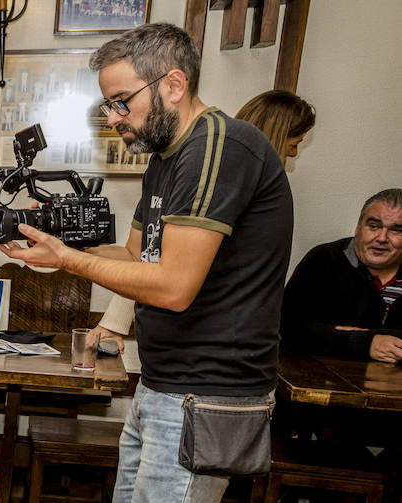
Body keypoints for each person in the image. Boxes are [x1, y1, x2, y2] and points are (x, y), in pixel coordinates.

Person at [0, 24, 293, 503]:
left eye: (120, 103)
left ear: (173, 84)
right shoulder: (168, 159)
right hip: (168, 381)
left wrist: (70, 262)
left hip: (210, 391)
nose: (114, 119)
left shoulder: (223, 149)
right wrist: (78, 281)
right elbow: (138, 258)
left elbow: (176, 284)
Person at [95, 88, 314, 349]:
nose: (293, 155)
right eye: (294, 144)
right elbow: (152, 259)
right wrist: (113, 324)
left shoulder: (214, 166)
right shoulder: (212, 172)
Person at [281, 188, 402, 362]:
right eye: (373, 226)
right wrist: (364, 343)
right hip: (319, 383)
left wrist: (371, 336)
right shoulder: (324, 259)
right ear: (358, 227)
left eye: (396, 230)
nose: (382, 238)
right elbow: (288, 326)